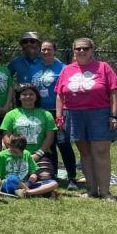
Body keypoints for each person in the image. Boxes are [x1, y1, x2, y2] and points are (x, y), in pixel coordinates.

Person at [55, 38, 117, 201]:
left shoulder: (103, 67)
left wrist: (113, 115)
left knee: (101, 152)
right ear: (73, 51)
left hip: (99, 114)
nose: (81, 51)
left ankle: (105, 192)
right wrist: (59, 117)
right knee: (85, 153)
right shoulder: (67, 70)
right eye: (78, 49)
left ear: (92, 50)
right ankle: (92, 190)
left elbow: (115, 92)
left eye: (85, 48)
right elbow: (59, 94)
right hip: (74, 114)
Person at [31, 40, 77, 190]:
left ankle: (72, 178)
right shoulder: (34, 67)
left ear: (55, 50)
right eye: (43, 49)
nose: (45, 52)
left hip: (58, 112)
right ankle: (53, 175)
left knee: (63, 144)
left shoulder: (63, 68)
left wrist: (61, 114)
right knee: (49, 146)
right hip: (40, 112)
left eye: (49, 49)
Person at [0, 84, 56, 178]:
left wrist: (38, 154)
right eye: (24, 94)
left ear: (36, 97)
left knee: (46, 177)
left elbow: (50, 137)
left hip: (39, 155)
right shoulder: (10, 115)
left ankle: (30, 188)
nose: (28, 96)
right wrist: (19, 153)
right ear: (19, 97)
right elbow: (6, 137)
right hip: (16, 154)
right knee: (16, 178)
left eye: (31, 94)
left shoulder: (46, 114)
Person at [0, 134, 59, 198]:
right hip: (8, 184)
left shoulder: (26, 154)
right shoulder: (1, 156)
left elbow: (33, 174)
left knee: (54, 183)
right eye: (13, 151)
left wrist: (29, 182)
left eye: (19, 152)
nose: (16, 154)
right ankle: (36, 192)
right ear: (9, 146)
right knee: (12, 178)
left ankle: (28, 193)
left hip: (26, 184)